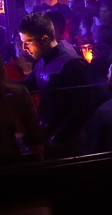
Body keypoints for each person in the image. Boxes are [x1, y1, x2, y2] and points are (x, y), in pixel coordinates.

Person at [18, 13, 97, 150]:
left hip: (69, 143)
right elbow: (27, 85)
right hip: (51, 135)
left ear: (44, 39)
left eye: (28, 43)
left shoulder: (71, 63)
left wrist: (59, 137)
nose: (24, 48)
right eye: (22, 43)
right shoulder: (42, 61)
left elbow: (85, 107)